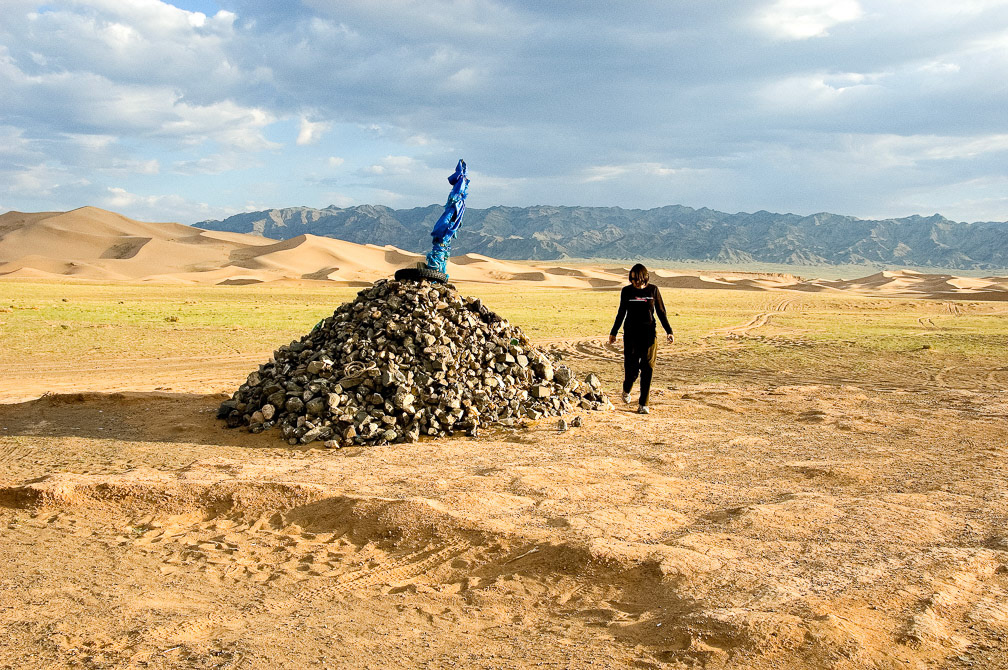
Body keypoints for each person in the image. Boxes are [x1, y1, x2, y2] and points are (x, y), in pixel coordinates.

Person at [608, 263, 674, 414]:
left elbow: (661, 312)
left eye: (637, 279)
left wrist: (669, 331)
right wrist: (614, 332)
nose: (635, 282)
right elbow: (621, 312)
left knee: (648, 367)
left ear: (644, 278)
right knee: (632, 369)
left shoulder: (653, 290)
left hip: (649, 333)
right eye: (632, 279)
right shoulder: (627, 291)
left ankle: (643, 403)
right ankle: (627, 388)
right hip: (631, 334)